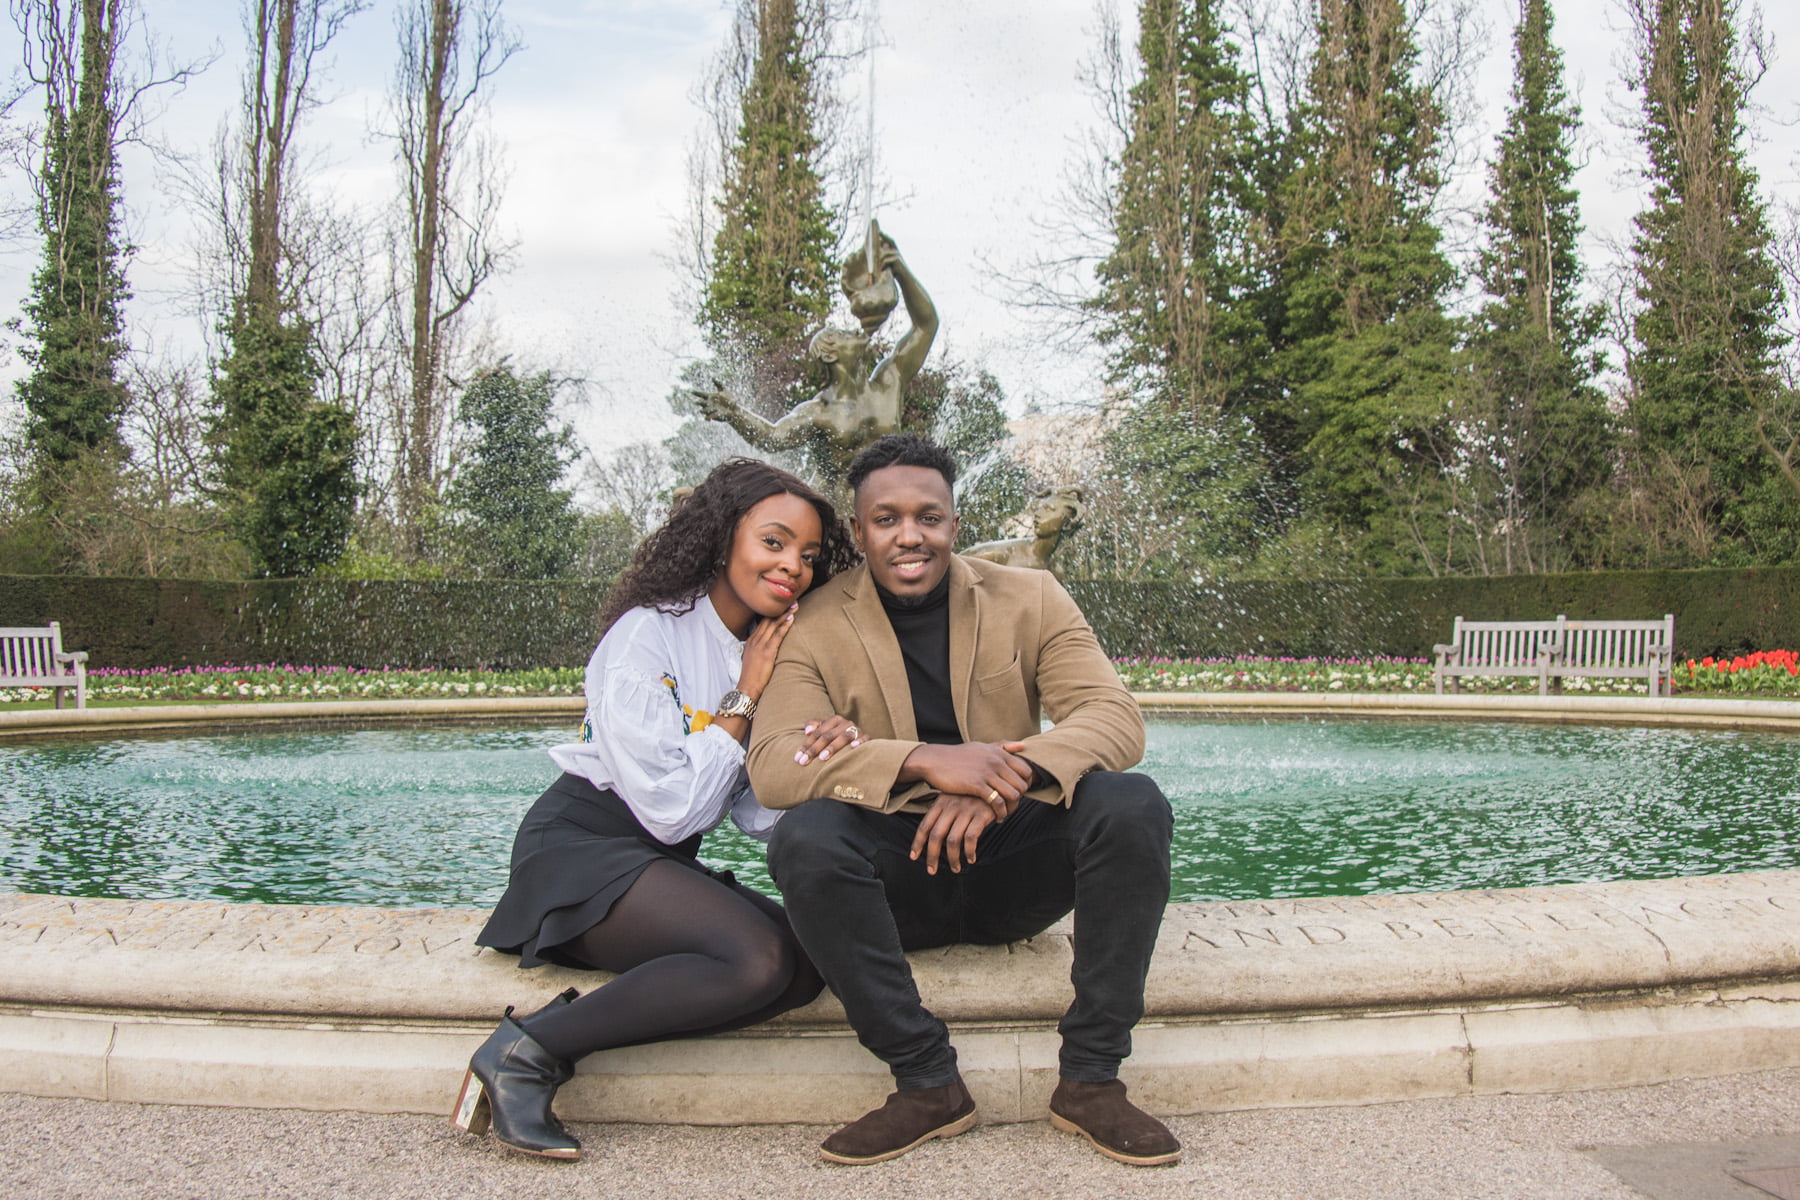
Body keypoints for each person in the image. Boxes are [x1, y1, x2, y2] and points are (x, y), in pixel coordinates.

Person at [746, 434, 1180, 1168]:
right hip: (894, 877)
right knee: (805, 837)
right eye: (886, 519)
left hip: (1013, 862)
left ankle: (1092, 1082)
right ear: (860, 531)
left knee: (1131, 803)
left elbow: (1115, 721)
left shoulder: (1029, 596)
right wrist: (930, 763)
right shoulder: (813, 622)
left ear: (953, 520)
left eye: (928, 516)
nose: (909, 535)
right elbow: (774, 766)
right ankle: (926, 1084)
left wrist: (999, 786)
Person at [452, 458, 860, 1161]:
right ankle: (528, 1052)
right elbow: (673, 811)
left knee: (807, 964)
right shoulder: (646, 636)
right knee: (757, 959)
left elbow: (756, 811)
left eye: (810, 554)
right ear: (723, 538)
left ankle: (552, 1035)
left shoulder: (771, 650)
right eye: (773, 542)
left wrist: (828, 758)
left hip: (655, 867)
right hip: (581, 849)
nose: (793, 564)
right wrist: (744, 697)